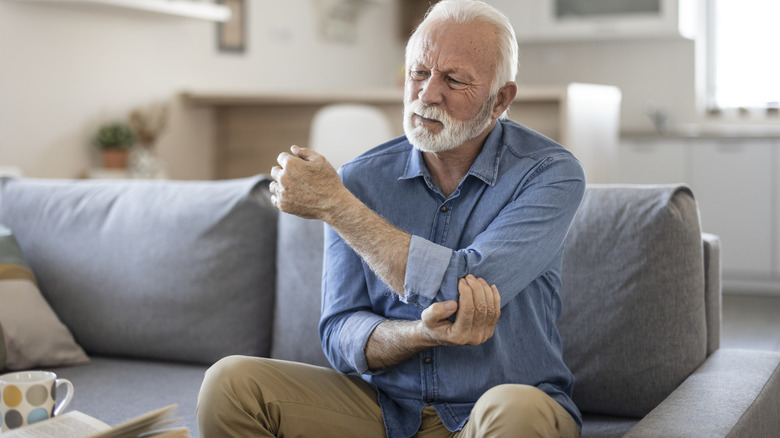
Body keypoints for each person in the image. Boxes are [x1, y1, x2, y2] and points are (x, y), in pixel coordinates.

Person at [196, 0, 585, 436]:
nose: (427, 94)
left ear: (500, 100)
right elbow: (340, 334)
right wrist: (419, 333)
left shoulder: (549, 174)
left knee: (513, 410)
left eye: (454, 80)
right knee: (230, 383)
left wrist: (339, 209)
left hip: (498, 406)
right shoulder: (359, 179)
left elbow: (462, 291)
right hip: (385, 411)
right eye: (418, 73)